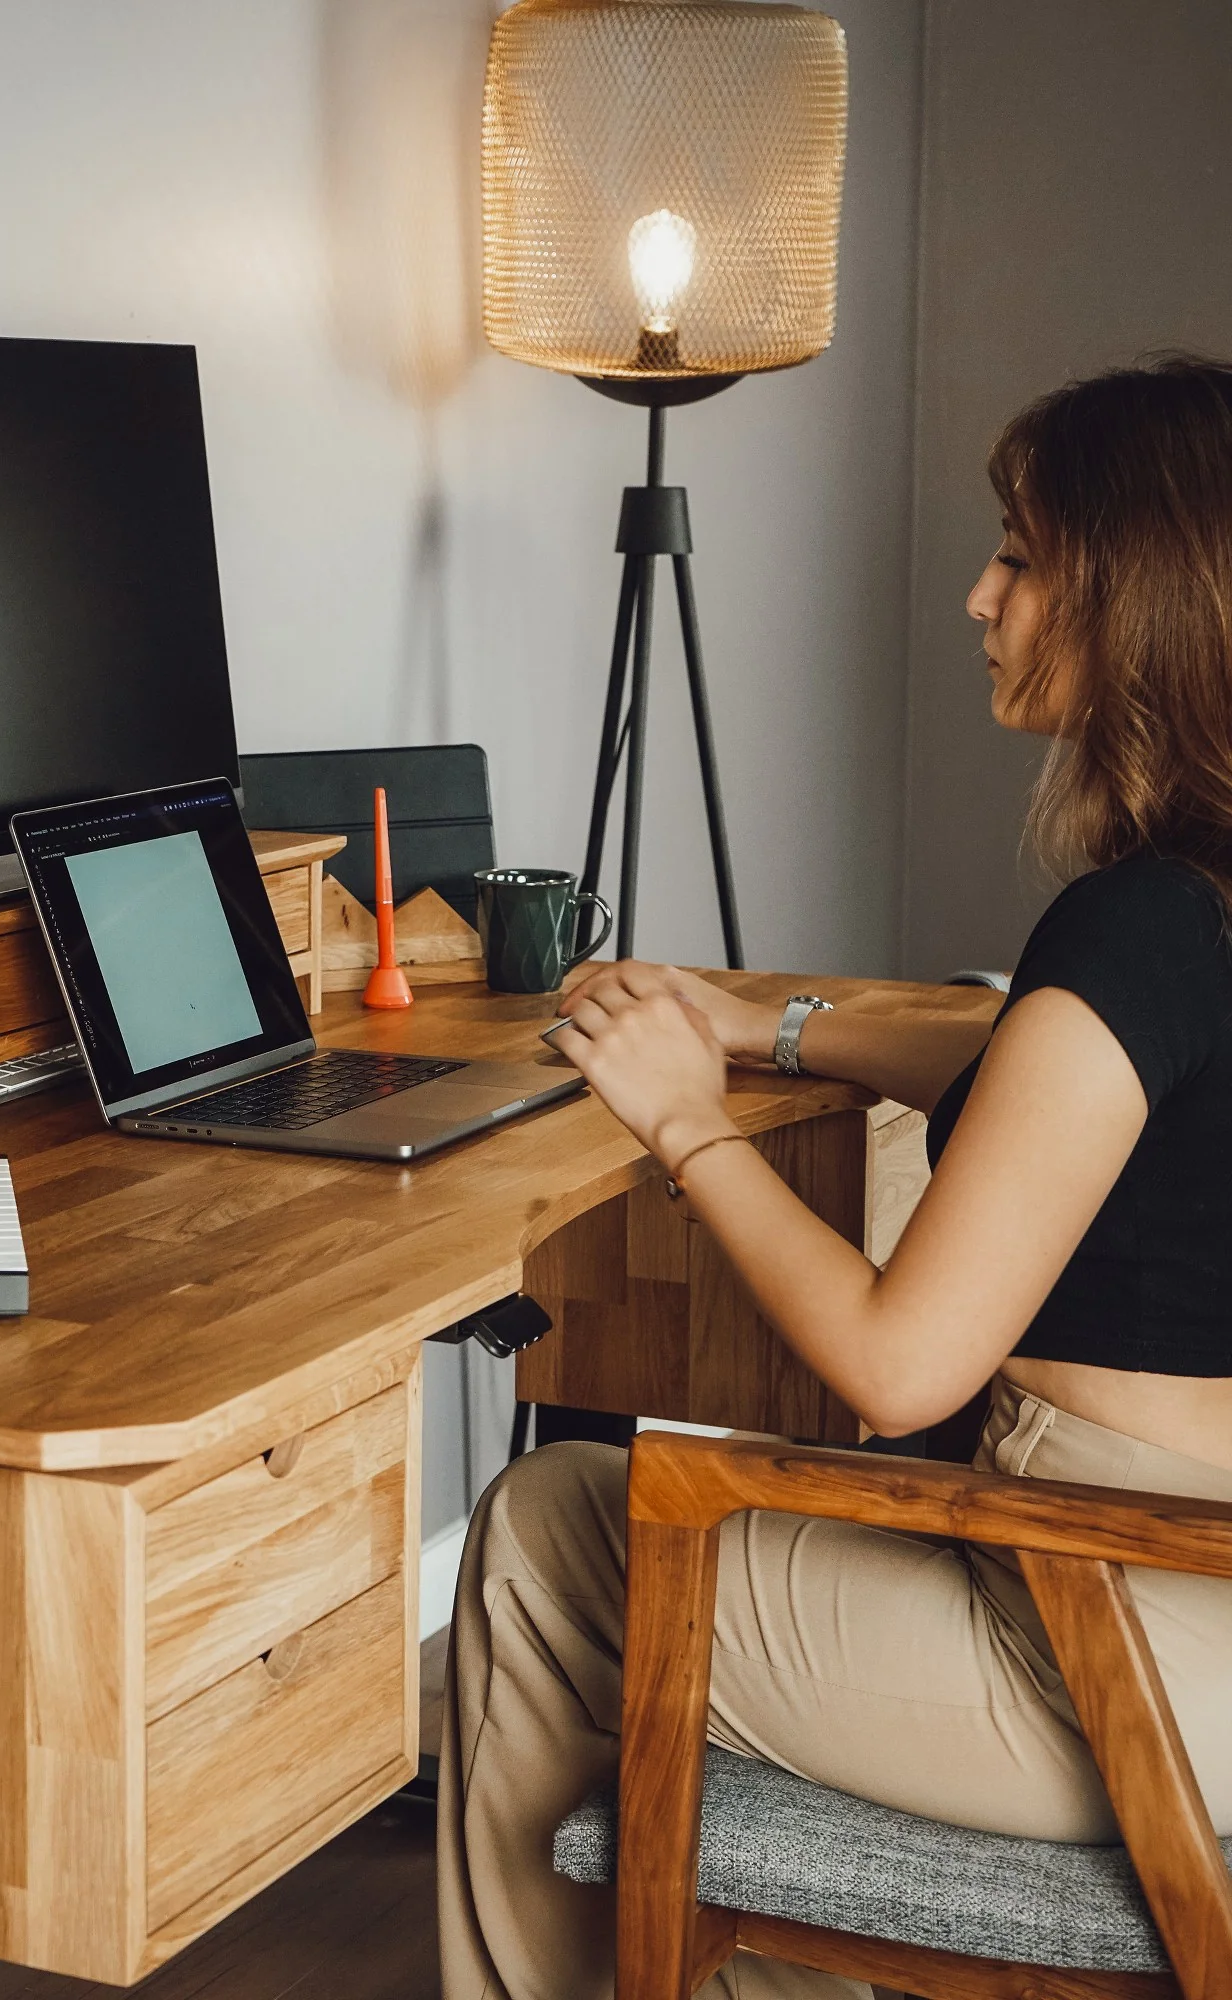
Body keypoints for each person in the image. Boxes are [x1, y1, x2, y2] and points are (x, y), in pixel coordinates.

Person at [437, 357, 1232, 2000]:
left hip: (1102, 1655)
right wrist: (774, 1022)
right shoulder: (1199, 915)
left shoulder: (1140, 920)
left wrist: (687, 1117)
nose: (979, 596)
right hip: (1194, 1612)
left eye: (1019, 555)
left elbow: (896, 1363)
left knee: (541, 1528)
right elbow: (1042, 1076)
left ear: (1134, 599)